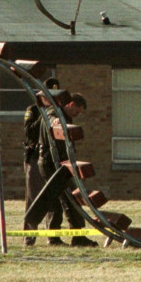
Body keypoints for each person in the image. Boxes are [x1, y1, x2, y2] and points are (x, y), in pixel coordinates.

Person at [38, 92, 99, 247]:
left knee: (72, 199)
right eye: (77, 111)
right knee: (55, 202)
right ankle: (53, 238)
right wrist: (57, 122)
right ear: (71, 105)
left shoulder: (66, 116)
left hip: (63, 164)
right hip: (50, 163)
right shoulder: (55, 113)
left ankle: (78, 236)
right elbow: (50, 120)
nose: (77, 115)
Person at [22, 77, 60, 247]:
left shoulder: (57, 112)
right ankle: (29, 237)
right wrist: (44, 115)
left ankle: (53, 237)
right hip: (34, 156)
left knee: (53, 199)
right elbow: (28, 133)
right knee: (33, 198)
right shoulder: (33, 110)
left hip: (51, 158)